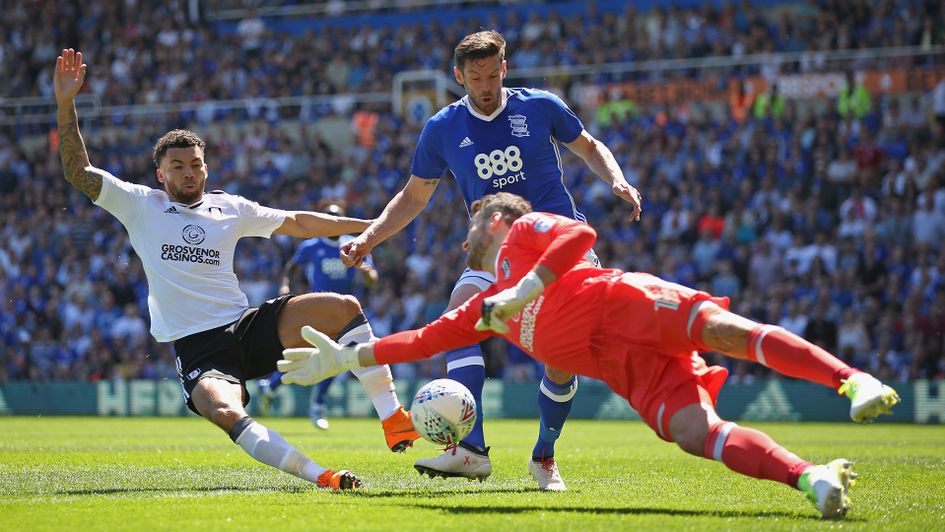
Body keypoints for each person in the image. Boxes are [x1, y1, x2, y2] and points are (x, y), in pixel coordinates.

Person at [281, 192, 900, 518]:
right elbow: (420, 341)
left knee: (730, 333)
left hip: (629, 304)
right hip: (621, 366)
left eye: (472, 220)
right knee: (693, 431)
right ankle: (809, 477)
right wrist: (347, 359)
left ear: (495, 221)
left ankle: (851, 381)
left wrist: (528, 286)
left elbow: (583, 235)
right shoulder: (484, 306)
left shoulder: (523, 232)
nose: (464, 232)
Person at [53, 49, 418, 491]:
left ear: (206, 166)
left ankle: (394, 418)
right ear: (160, 174)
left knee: (343, 306)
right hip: (199, 350)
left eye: (196, 164)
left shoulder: (230, 207)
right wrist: (65, 102)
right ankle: (321, 476)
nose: (190, 173)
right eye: (178, 167)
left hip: (245, 327)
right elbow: (77, 171)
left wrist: (374, 228)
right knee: (227, 412)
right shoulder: (139, 204)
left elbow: (300, 222)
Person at [339, 30, 642, 490]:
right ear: (459, 76)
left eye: (492, 74)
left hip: (556, 247)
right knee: (458, 320)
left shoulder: (539, 106)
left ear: (505, 67)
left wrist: (617, 180)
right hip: (492, 250)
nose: (485, 86)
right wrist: (369, 238)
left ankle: (543, 456)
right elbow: (414, 196)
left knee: (560, 361)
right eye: (474, 77)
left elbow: (589, 147)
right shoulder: (442, 127)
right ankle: (472, 451)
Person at [258, 200, 379, 430]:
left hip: (346, 314)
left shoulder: (353, 245)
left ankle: (282, 391)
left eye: (336, 216)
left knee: (339, 358)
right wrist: (285, 286)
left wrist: (365, 271)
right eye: (328, 216)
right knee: (313, 354)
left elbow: (373, 279)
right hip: (318, 309)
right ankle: (288, 392)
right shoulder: (311, 246)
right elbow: (292, 268)